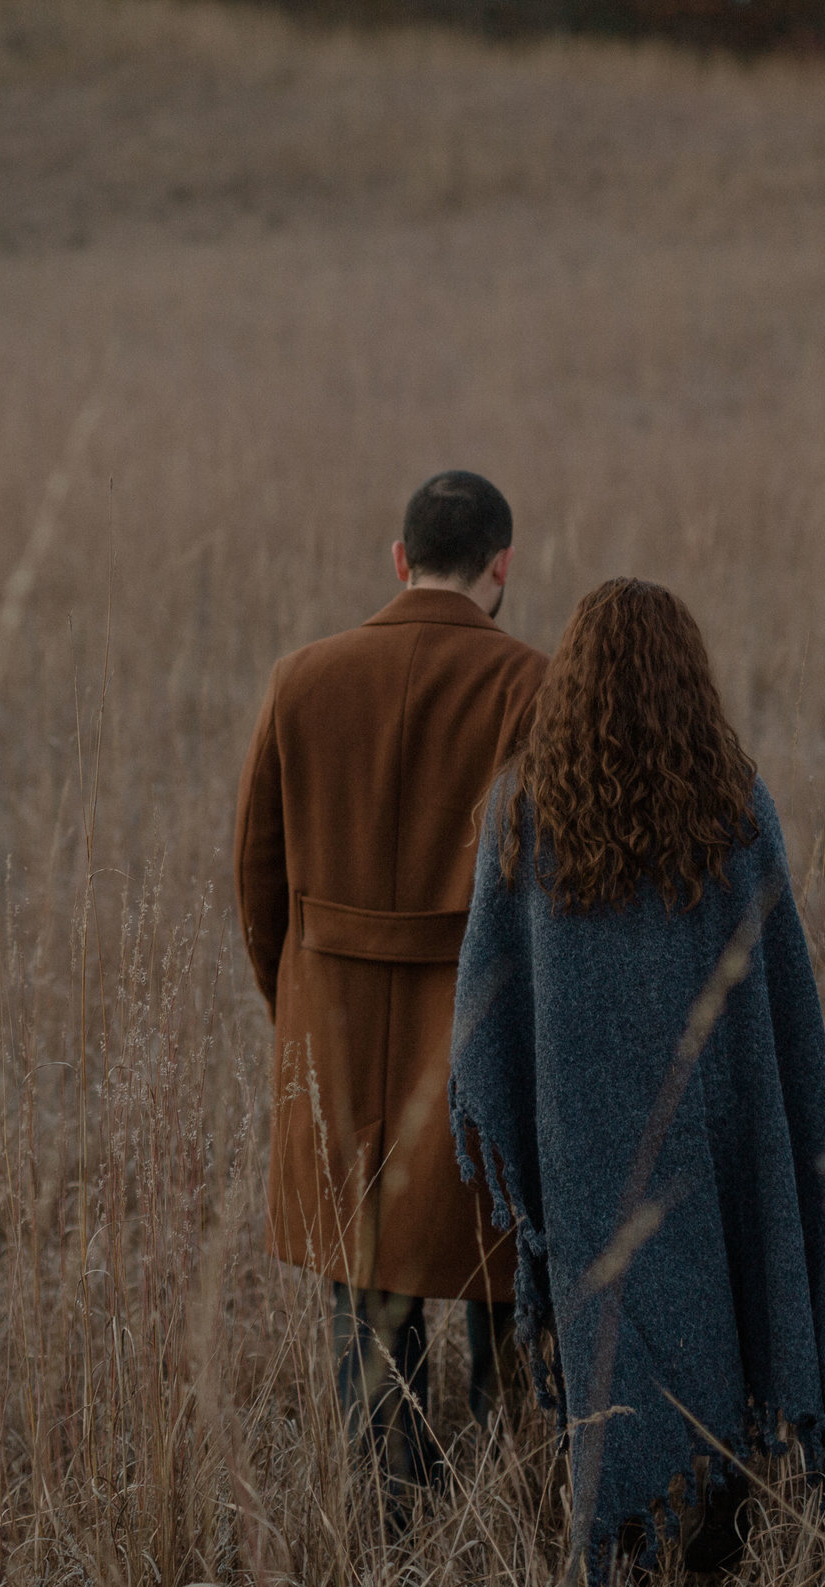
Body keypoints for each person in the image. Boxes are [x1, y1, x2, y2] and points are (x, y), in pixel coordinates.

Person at [448, 577, 825, 1587]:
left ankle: (626, 1550)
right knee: (720, 1296)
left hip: (587, 1146)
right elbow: (782, 1001)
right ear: (691, 676)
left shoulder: (525, 806)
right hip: (718, 1130)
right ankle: (714, 1543)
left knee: (609, 1324)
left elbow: (482, 1015)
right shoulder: (735, 800)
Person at [234, 470, 547, 1500]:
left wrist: (303, 1016)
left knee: (369, 1286)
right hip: (489, 1036)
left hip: (341, 1037)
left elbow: (257, 880)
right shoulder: (537, 687)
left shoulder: (300, 678)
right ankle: (518, 1488)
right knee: (509, 1264)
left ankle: (389, 1507)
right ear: (501, 567)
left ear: (397, 559)